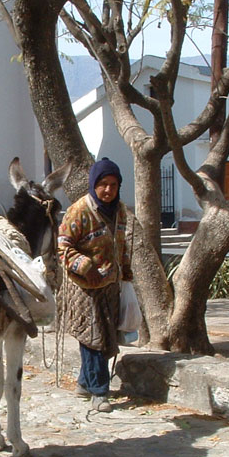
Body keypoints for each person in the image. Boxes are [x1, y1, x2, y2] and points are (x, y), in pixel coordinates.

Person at [57, 157, 134, 413]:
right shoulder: (79, 211)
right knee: (92, 338)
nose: (108, 190)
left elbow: (121, 243)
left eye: (113, 184)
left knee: (106, 335)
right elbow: (63, 247)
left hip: (110, 285)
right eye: (103, 184)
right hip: (84, 289)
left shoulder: (120, 211)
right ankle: (99, 391)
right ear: (93, 184)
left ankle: (83, 382)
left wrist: (126, 270)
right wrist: (84, 264)